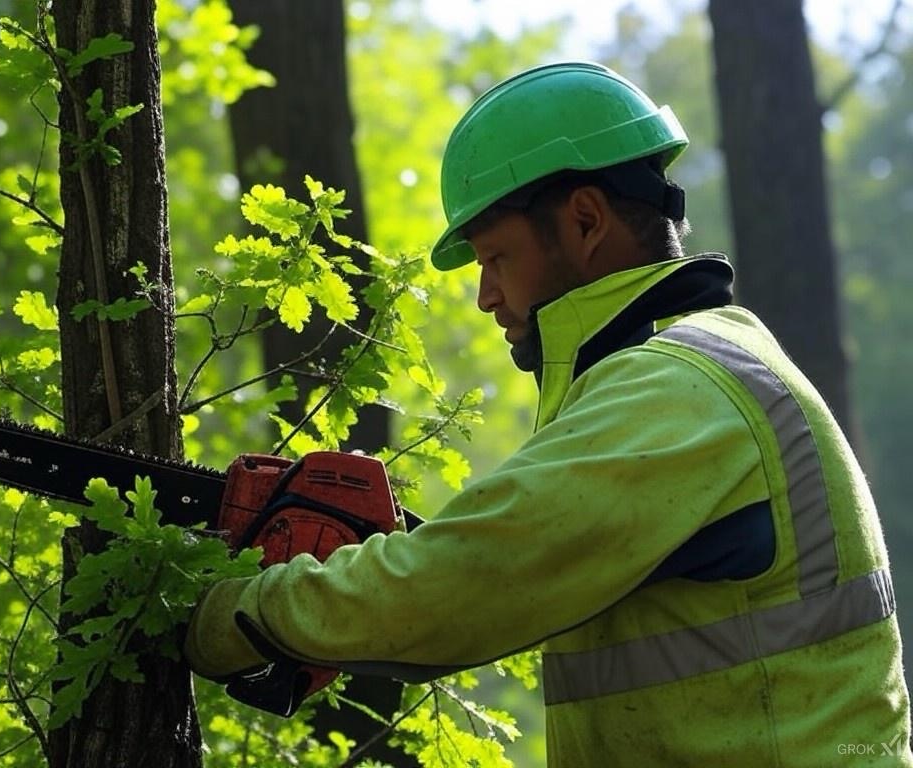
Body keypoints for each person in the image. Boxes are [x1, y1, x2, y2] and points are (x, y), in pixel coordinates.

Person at [184, 61, 913, 766]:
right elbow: (505, 558)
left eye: (496, 258)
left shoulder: (677, 389)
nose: (485, 296)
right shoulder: (682, 370)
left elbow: (465, 582)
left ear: (586, 221)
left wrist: (236, 615)